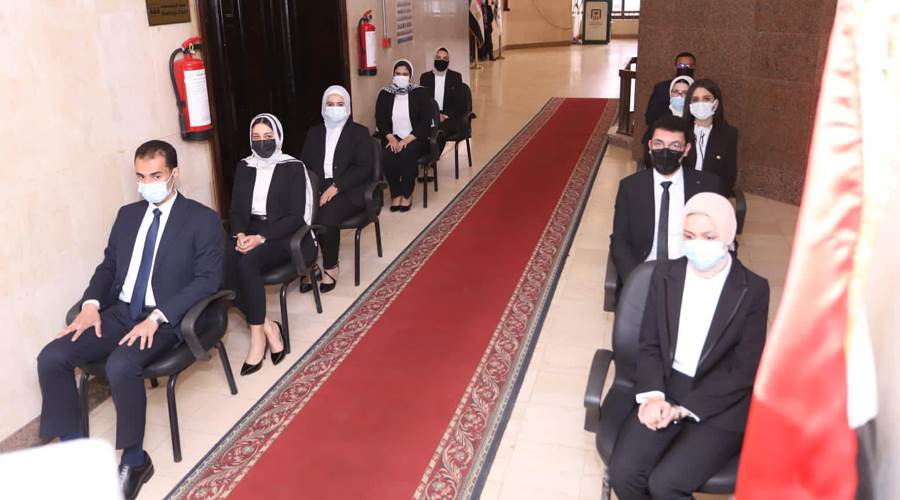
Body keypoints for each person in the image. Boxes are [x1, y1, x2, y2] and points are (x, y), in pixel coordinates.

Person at [37, 140, 224, 500]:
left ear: (174, 174)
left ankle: (135, 460)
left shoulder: (201, 220)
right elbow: (108, 267)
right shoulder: (127, 216)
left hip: (165, 317)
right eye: (140, 177)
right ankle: (74, 453)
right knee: (52, 357)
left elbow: (206, 281)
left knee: (121, 364)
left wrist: (158, 317)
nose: (147, 183)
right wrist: (91, 304)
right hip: (122, 311)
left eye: (155, 175)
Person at [608, 192, 770, 500]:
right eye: (689, 236)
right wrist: (654, 396)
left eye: (709, 237)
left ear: (728, 235)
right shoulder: (665, 275)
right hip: (667, 386)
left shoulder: (753, 289)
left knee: (665, 484)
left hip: (721, 401)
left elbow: (744, 369)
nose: (698, 245)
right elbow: (650, 343)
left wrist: (683, 410)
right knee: (624, 474)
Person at [226, 113, 314, 376]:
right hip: (250, 231)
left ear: (278, 138)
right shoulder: (244, 166)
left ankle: (257, 340)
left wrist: (261, 238)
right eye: (256, 137)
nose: (262, 142)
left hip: (282, 234)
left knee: (246, 263)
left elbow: (295, 216)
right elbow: (236, 209)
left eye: (268, 136)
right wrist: (240, 234)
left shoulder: (293, 167)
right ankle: (268, 326)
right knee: (221, 266)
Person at [610, 115, 721, 281]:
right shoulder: (630, 187)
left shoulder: (707, 186)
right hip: (644, 273)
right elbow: (620, 241)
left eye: (675, 146)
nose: (665, 151)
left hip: (691, 274)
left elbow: (721, 239)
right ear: (650, 146)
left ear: (686, 149)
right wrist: (634, 280)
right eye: (658, 144)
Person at [300, 85, 374, 292]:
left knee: (325, 215)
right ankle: (309, 266)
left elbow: (364, 168)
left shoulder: (359, 132)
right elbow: (304, 164)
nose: (335, 108)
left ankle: (331, 266)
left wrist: (336, 187)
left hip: (350, 188)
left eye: (340, 104)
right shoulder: (314, 133)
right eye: (330, 104)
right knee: (298, 214)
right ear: (323, 107)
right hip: (319, 186)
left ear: (347, 107)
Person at [375, 59, 432, 212]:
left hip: (415, 137)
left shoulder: (420, 93)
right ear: (393, 75)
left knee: (408, 153)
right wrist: (389, 137)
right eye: (398, 73)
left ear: (410, 76)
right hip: (393, 137)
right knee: (387, 154)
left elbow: (425, 122)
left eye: (405, 74)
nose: (401, 76)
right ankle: (396, 193)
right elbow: (380, 120)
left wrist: (408, 139)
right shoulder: (385, 93)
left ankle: (407, 194)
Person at [682, 79, 739, 197]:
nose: (701, 104)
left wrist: (713, 198)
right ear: (689, 104)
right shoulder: (680, 130)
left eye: (706, 99)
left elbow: (729, 176)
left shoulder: (728, 134)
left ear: (716, 103)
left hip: (712, 195)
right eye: (695, 99)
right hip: (681, 192)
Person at [420, 47, 465, 157]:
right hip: (431, 115)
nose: (441, 60)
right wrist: (434, 115)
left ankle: (433, 157)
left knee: (439, 131)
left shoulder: (455, 77)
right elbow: (423, 101)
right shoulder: (425, 77)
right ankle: (426, 156)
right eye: (438, 57)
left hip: (449, 117)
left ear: (449, 61)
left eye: (445, 58)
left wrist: (445, 115)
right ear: (434, 59)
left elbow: (459, 103)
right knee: (421, 129)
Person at [645, 52, 697, 128]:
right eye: (681, 65)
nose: (685, 68)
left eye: (689, 66)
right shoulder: (662, 88)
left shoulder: (699, 89)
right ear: (675, 66)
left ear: (694, 67)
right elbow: (650, 117)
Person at [640, 75, 694, 148]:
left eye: (685, 93)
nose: (679, 95)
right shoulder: (660, 114)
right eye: (675, 91)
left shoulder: (695, 118)